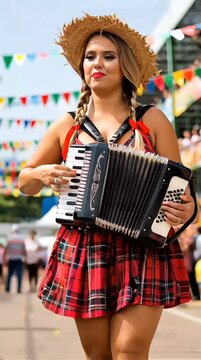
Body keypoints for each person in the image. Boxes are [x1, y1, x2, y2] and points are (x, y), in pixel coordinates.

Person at [18, 14, 196, 360]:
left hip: (144, 248)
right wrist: (41, 173)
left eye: (108, 56)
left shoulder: (151, 120)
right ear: (82, 67)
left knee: (128, 349)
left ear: (124, 66)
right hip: (86, 249)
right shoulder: (66, 126)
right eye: (90, 56)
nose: (97, 63)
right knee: (99, 354)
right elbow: (24, 181)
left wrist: (187, 209)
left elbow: (182, 190)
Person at [4, 224, 26, 293]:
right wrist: (25, 259)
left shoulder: (9, 238)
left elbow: (6, 250)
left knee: (9, 274)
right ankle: (18, 289)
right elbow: (24, 251)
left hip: (11, 258)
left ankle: (7, 288)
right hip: (19, 259)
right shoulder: (21, 239)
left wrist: (5, 259)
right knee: (19, 274)